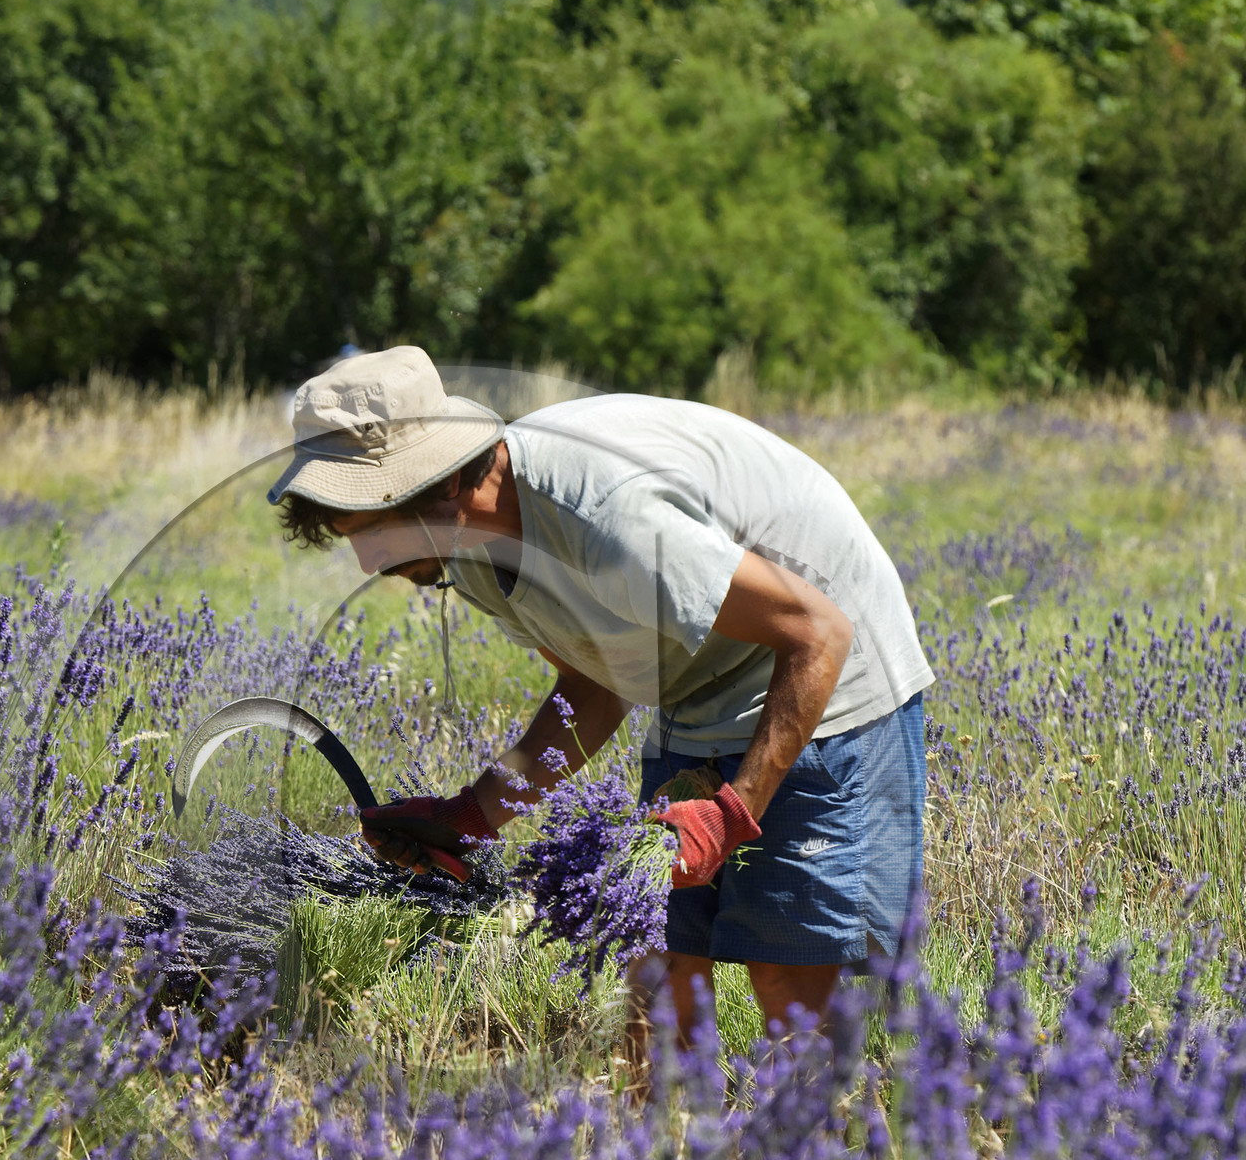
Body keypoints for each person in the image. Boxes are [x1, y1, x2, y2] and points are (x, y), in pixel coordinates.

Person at [270, 344, 931, 1042]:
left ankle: (830, 1141)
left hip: (830, 676)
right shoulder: (454, 546)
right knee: (658, 973)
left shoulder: (610, 521)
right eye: (354, 536)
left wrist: (732, 813)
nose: (371, 564)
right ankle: (669, 1149)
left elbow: (818, 633)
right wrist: (472, 815)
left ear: (447, 482)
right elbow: (596, 686)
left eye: (377, 527)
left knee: (786, 976)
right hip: (700, 679)